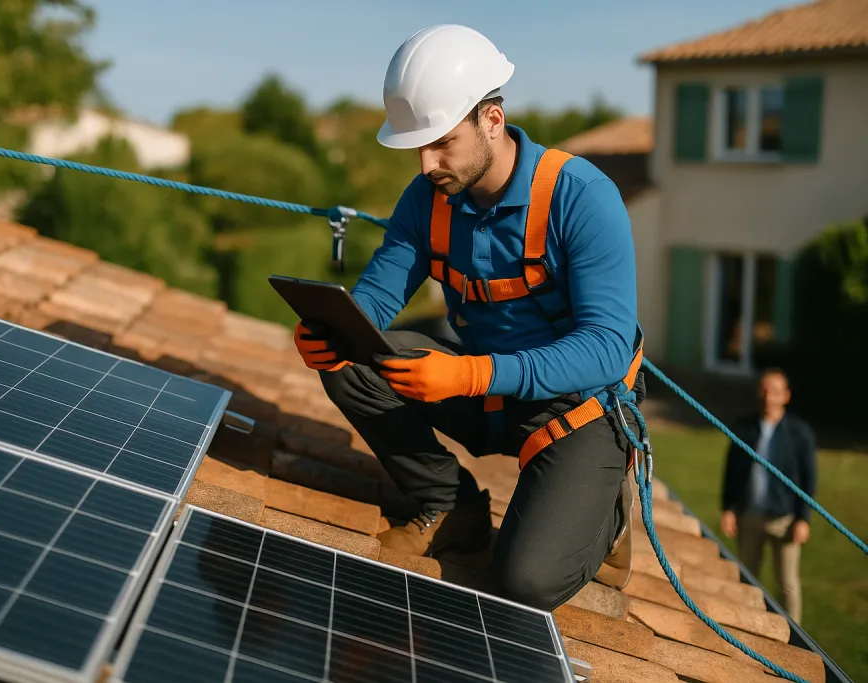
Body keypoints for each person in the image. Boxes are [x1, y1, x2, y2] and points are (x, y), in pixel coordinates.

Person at [292, 24, 646, 612]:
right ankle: (451, 506)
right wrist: (331, 333)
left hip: (580, 409)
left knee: (525, 582)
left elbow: (608, 348)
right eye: (417, 147)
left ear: (491, 118)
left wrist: (473, 376)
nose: (428, 164)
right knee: (356, 358)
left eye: (442, 143)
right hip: (487, 394)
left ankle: (605, 516)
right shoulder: (428, 198)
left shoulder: (582, 196)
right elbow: (376, 301)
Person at [720, 368, 817, 624]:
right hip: (749, 515)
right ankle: (746, 625)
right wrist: (729, 508)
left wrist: (803, 518)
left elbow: (809, 479)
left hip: (784, 519)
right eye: (763, 390)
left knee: (787, 584)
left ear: (785, 396)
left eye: (774, 392)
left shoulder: (799, 433)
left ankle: (794, 636)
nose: (767, 397)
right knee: (746, 578)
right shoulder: (745, 428)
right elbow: (731, 471)